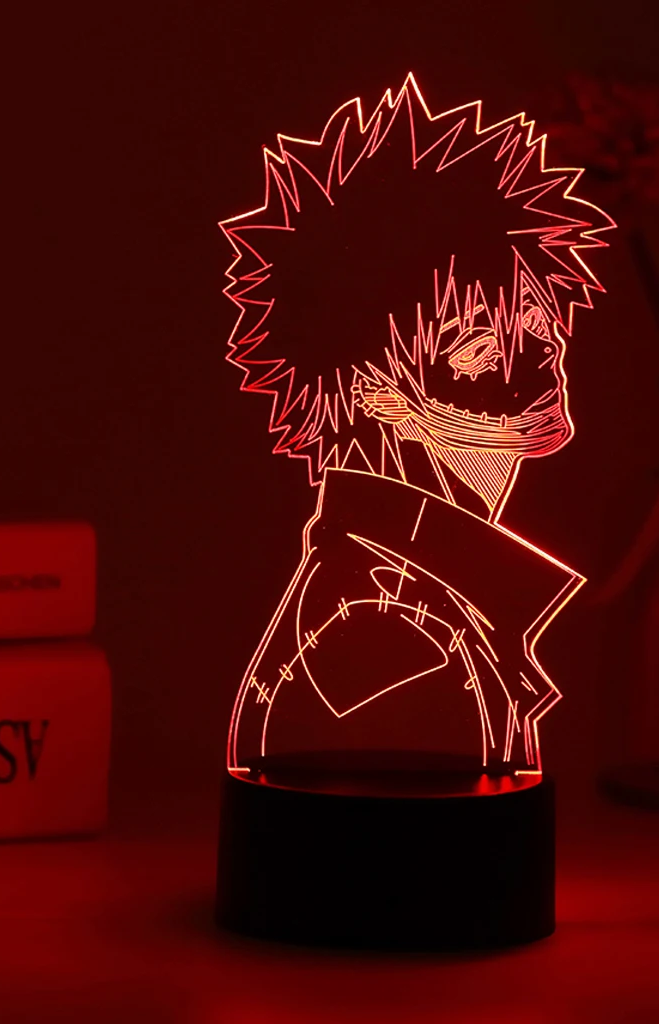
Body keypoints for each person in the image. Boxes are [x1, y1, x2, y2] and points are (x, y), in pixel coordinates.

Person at [220, 75, 613, 775]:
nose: (543, 351)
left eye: (534, 317)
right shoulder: (388, 623)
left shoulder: (425, 593)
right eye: (480, 348)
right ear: (377, 393)